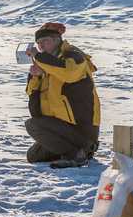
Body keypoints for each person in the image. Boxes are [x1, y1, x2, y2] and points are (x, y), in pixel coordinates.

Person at [24, 22, 101, 168]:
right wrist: (36, 76)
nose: (41, 47)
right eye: (39, 43)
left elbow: (68, 72)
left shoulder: (74, 55)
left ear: (57, 40)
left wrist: (39, 57)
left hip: (80, 129)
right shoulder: (46, 65)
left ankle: (76, 153)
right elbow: (32, 98)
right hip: (61, 129)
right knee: (34, 156)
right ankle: (77, 152)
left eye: (45, 41)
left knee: (32, 125)